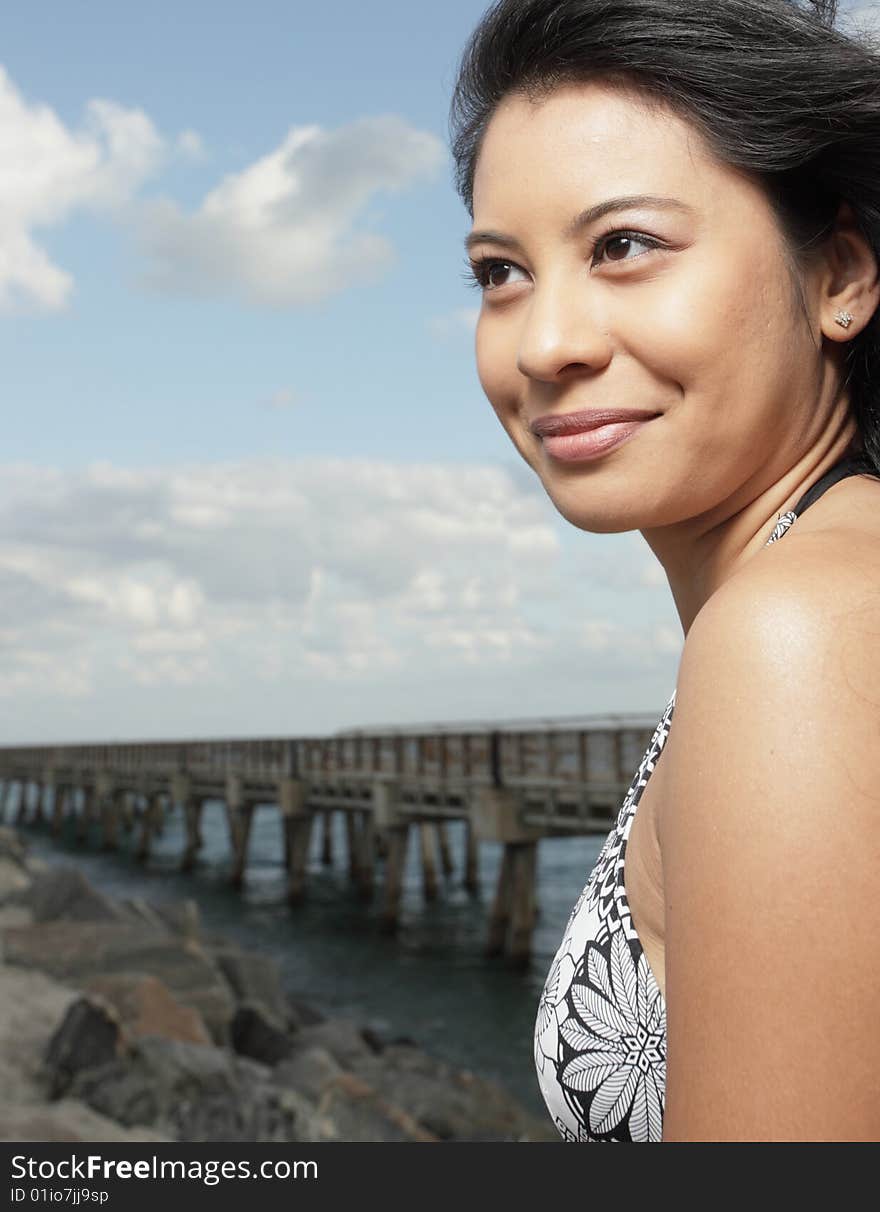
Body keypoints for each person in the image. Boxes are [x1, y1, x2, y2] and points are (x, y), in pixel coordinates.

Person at [448, 0, 880, 1142]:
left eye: (623, 246)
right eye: (500, 271)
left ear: (840, 272)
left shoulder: (801, 631)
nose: (546, 343)